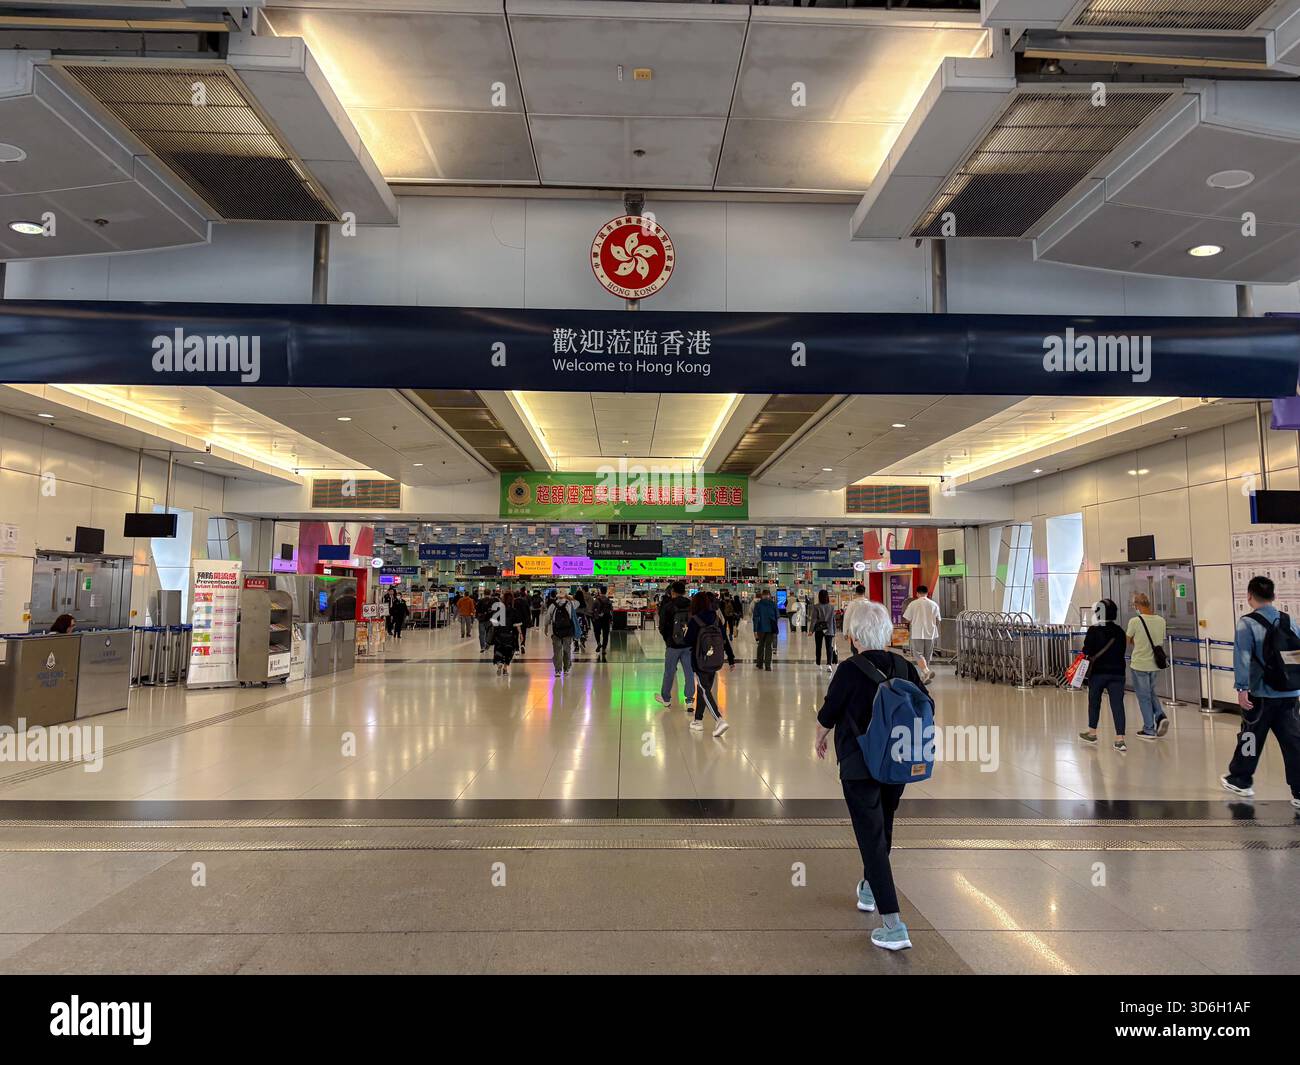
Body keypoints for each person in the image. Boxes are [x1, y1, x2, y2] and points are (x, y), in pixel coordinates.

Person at [815, 600, 925, 952]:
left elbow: (829, 712)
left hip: (860, 764)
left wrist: (819, 736)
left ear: (851, 634)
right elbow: (924, 704)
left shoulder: (849, 670)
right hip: (898, 761)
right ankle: (868, 886)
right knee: (884, 824)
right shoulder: (903, 665)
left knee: (871, 838)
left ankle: (893, 925)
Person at [1221, 576, 1300, 806]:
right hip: (1289, 693)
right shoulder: (1289, 620)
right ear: (1274, 596)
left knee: (1250, 736)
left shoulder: (1247, 623)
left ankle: (1240, 779)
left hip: (1261, 694)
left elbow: (1243, 657)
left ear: (1249, 595)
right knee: (1293, 742)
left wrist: (1242, 688)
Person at [1077, 598, 1129, 753]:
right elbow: (1122, 650)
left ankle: (1092, 732)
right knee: (1117, 704)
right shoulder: (1120, 631)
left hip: (1098, 673)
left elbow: (1086, 651)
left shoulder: (1094, 630)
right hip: (1117, 672)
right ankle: (1120, 739)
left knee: (1094, 701)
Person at [686, 591, 735, 737]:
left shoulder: (695, 620)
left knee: (704, 690)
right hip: (714, 660)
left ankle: (719, 720)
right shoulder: (715, 618)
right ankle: (698, 720)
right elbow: (724, 639)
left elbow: (688, 640)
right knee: (704, 689)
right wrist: (731, 658)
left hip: (699, 660)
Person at [1126, 592, 1169, 740]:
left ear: (1137, 605)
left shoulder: (1134, 621)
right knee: (1150, 692)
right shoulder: (1161, 620)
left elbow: (1128, 640)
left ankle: (1149, 729)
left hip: (1139, 664)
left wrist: (1137, 642)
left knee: (1143, 696)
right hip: (1155, 664)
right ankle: (1160, 715)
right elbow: (1160, 640)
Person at [655, 580, 695, 712]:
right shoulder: (691, 605)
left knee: (669, 672)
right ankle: (689, 700)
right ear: (684, 592)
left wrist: (668, 640)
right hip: (688, 644)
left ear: (672, 592)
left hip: (673, 645)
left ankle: (666, 699)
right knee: (689, 673)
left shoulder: (668, 606)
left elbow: (662, 627)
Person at [902, 584, 941, 684]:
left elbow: (907, 618)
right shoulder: (934, 604)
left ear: (917, 593)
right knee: (927, 655)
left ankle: (926, 671)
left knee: (918, 654)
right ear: (927, 593)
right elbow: (938, 619)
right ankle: (925, 676)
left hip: (917, 632)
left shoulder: (913, 604)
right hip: (931, 633)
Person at [544, 588, 578, 676]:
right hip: (568, 630)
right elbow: (578, 603)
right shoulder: (570, 604)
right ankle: (566, 668)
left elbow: (548, 617)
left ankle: (558, 670)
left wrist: (546, 627)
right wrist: (569, 597)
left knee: (557, 650)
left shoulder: (553, 605)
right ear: (565, 596)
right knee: (567, 649)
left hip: (556, 630)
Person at [491, 591, 519, 675]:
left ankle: (499, 663)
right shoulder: (514, 610)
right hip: (510, 634)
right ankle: (505, 668)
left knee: (499, 649)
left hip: (499, 634)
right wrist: (520, 634)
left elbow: (493, 621)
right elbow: (517, 624)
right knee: (509, 650)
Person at [752, 588, 779, 670]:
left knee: (760, 645)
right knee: (768, 646)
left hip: (761, 628)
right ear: (769, 595)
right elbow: (777, 615)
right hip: (771, 628)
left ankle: (759, 664)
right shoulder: (773, 604)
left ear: (762, 596)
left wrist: (755, 630)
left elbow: (755, 618)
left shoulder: (758, 605)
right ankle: (767, 666)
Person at [811, 588, 837, 672]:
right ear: (827, 597)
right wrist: (834, 631)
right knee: (829, 647)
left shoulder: (816, 606)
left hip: (819, 629)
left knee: (818, 647)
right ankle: (829, 665)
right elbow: (833, 620)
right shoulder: (831, 607)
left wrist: (811, 630)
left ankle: (818, 664)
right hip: (829, 629)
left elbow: (814, 619)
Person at [841, 583, 869, 656]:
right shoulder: (868, 604)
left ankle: (857, 664)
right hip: (866, 631)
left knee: (855, 650)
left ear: (856, 593)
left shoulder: (852, 604)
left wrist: (845, 633)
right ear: (864, 592)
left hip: (854, 632)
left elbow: (847, 618)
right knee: (865, 650)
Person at [591, 585, 614, 662]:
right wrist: (611, 619)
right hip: (606, 619)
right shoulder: (608, 600)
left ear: (600, 591)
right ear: (606, 591)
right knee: (605, 634)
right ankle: (604, 648)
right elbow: (611, 610)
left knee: (597, 632)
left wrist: (595, 615)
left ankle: (598, 643)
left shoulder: (596, 600)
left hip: (598, 619)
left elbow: (592, 609)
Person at [476, 589, 497, 654]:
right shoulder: (493, 601)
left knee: (482, 634)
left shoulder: (480, 601)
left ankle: (482, 647)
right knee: (489, 633)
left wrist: (477, 617)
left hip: (482, 620)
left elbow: (477, 610)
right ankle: (487, 647)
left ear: (484, 593)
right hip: (490, 620)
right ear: (490, 593)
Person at [511, 587, 531, 655]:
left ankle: (516, 649)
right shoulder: (524, 601)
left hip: (515, 621)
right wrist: (528, 620)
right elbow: (528, 612)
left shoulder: (512, 602)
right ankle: (522, 645)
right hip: (523, 621)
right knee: (523, 633)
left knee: (515, 634)